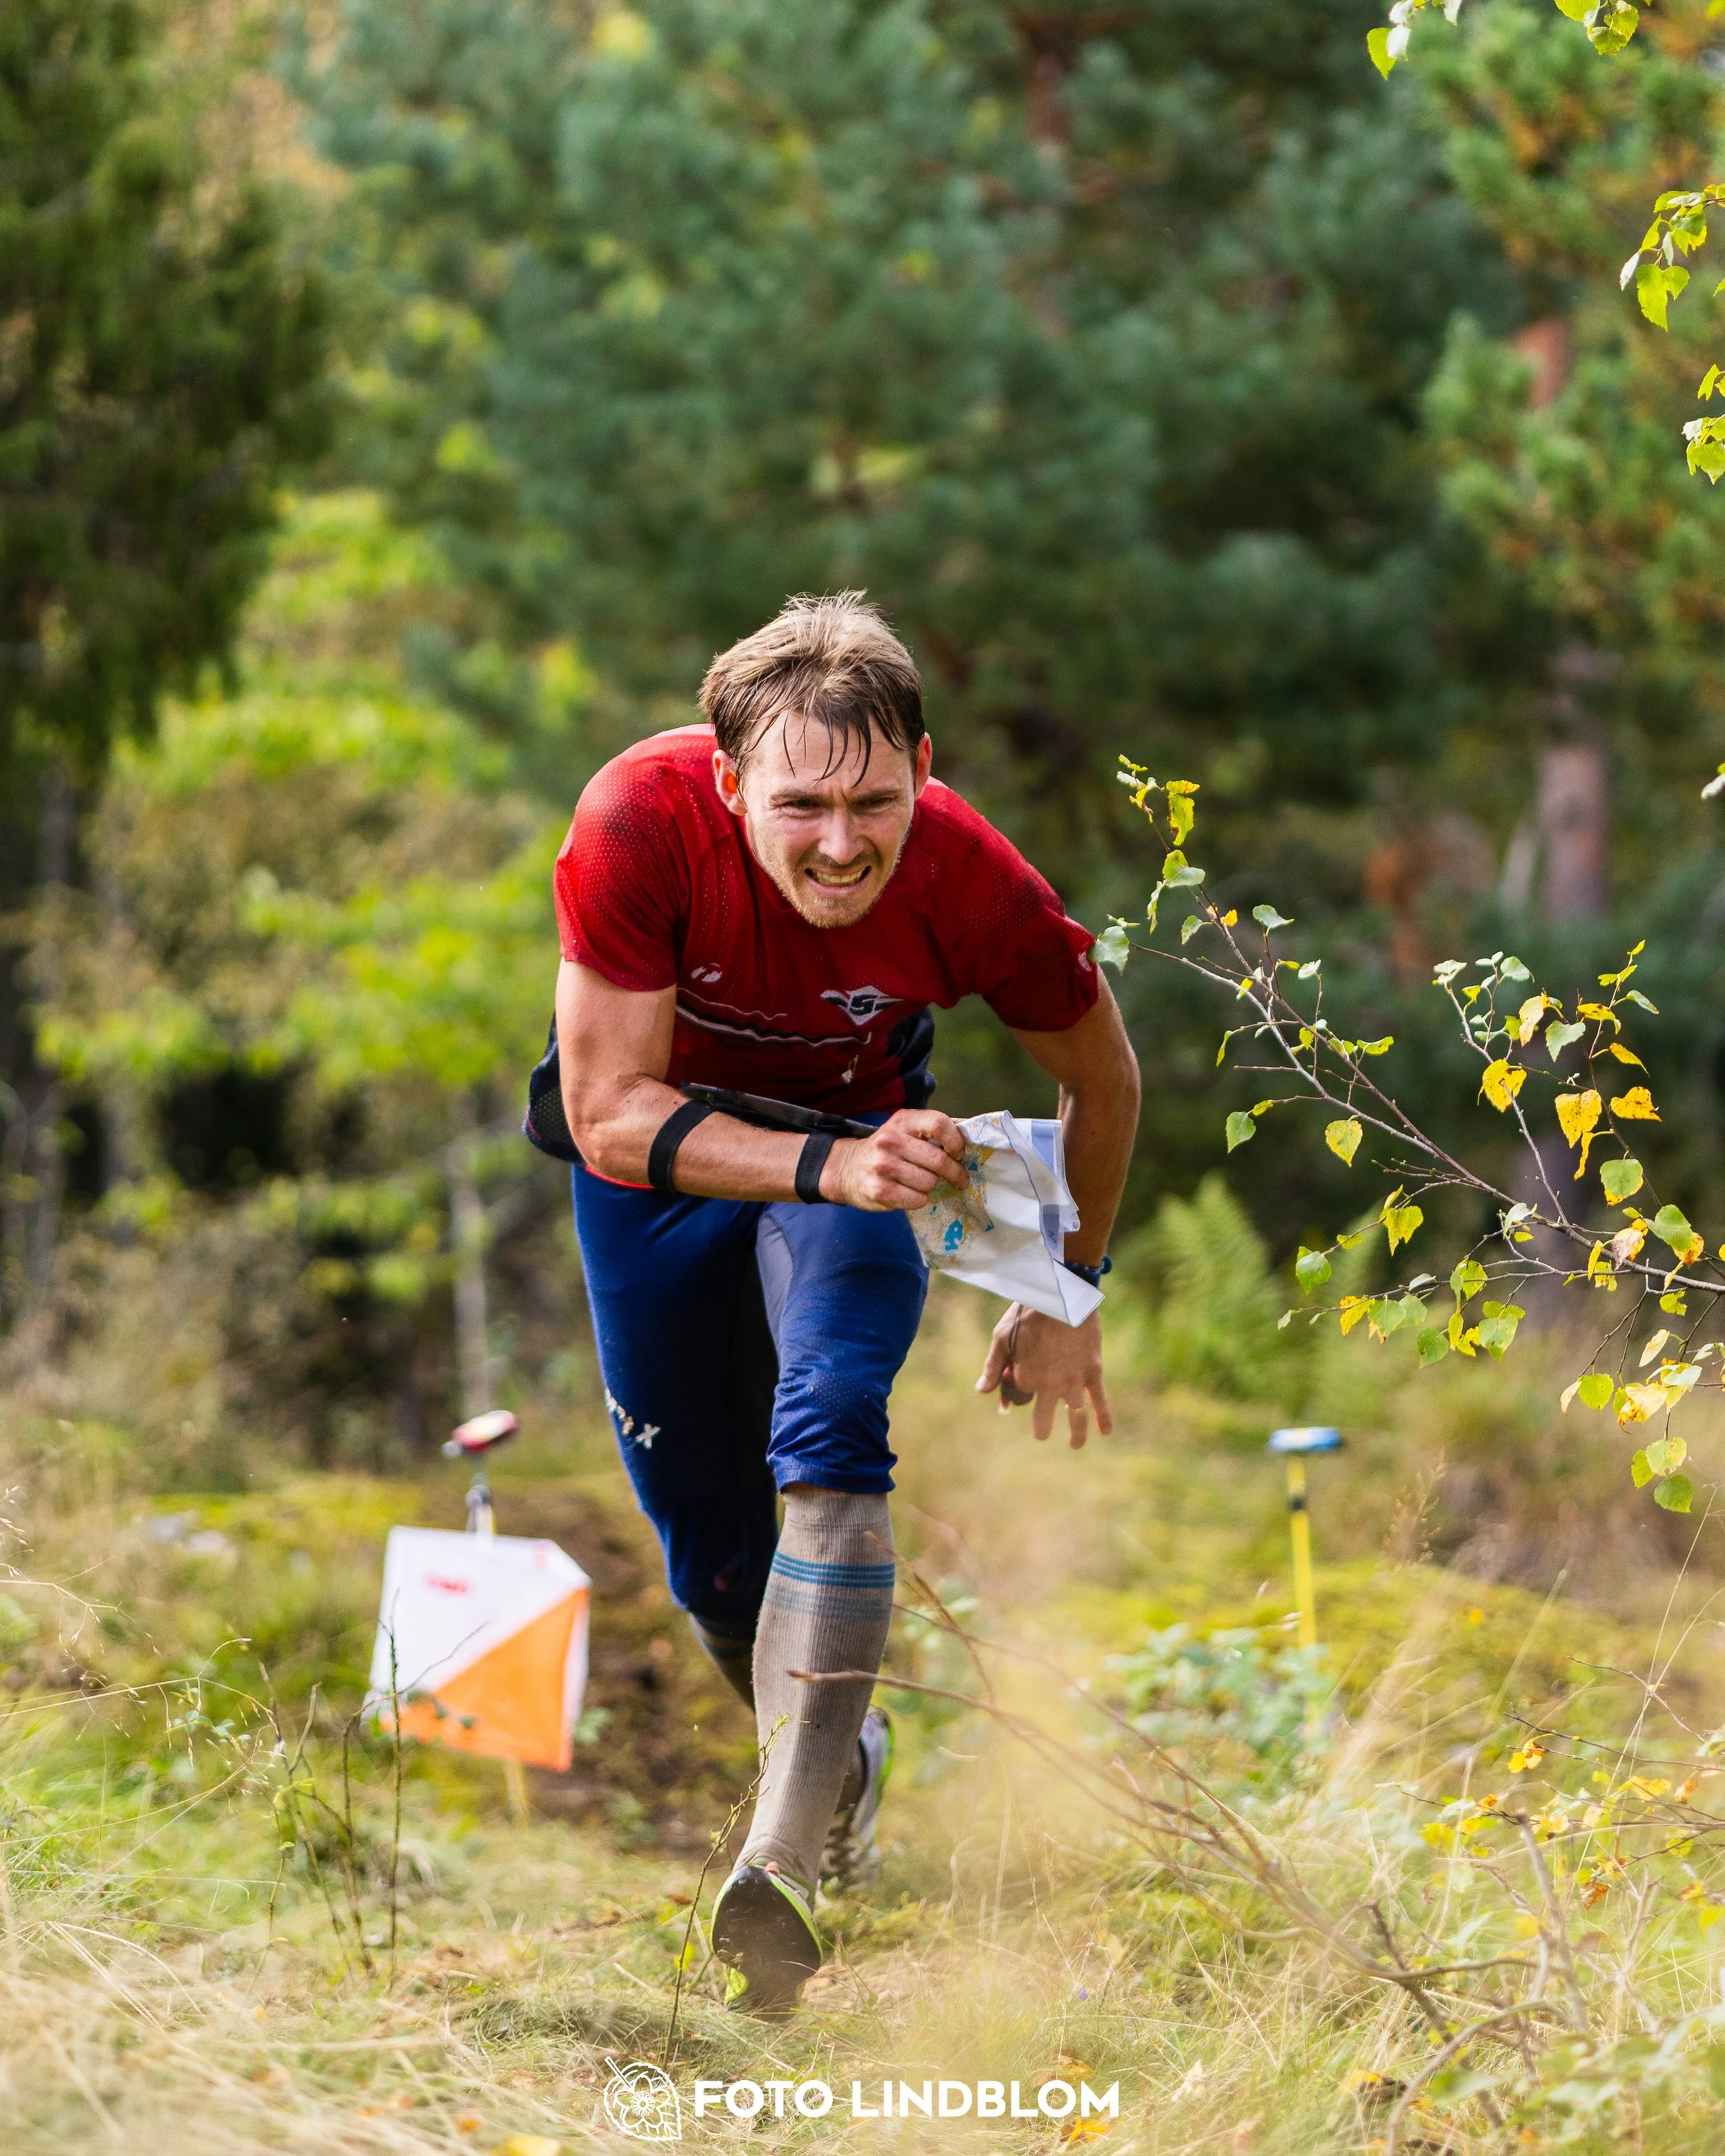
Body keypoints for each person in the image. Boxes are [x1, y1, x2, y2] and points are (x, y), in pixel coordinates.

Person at [528, 593, 1140, 2010]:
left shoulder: (973, 877)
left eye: (875, 800)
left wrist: (1064, 1279)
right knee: (709, 1560)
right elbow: (606, 1112)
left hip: (864, 1167)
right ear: (733, 784)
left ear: (922, 770)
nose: (842, 841)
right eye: (800, 804)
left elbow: (1100, 1077)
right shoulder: (634, 818)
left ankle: (781, 1865)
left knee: (831, 1433)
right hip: (666, 1166)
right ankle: (840, 1764)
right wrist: (828, 1159)